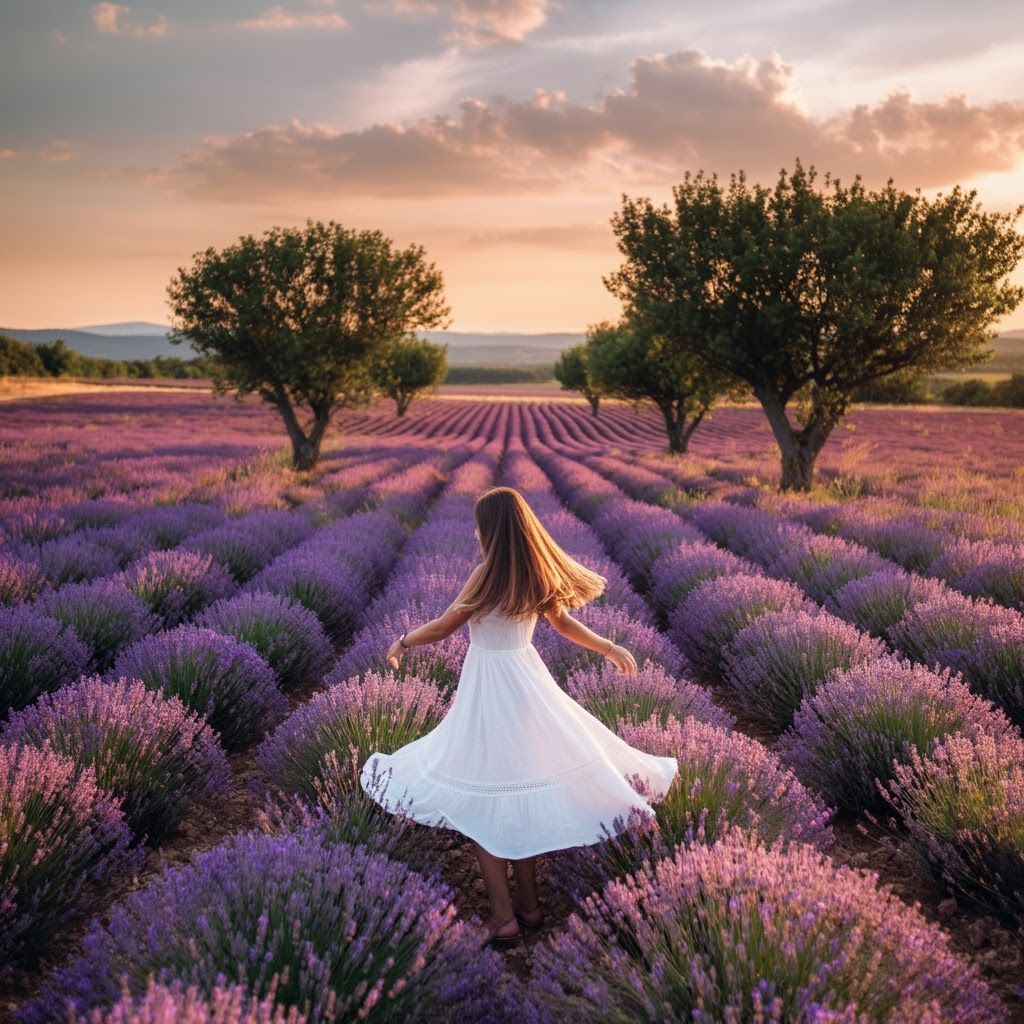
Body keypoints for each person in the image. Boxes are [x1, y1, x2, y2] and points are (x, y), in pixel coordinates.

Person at [359, 486, 679, 950]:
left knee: (485, 799)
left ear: (490, 529)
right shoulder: (532, 573)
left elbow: (445, 627)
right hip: (527, 685)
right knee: (520, 787)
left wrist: (404, 640)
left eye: (478, 524)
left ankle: (504, 918)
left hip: (489, 691)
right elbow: (565, 625)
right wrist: (608, 647)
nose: (473, 531)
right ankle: (530, 907)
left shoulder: (483, 576)